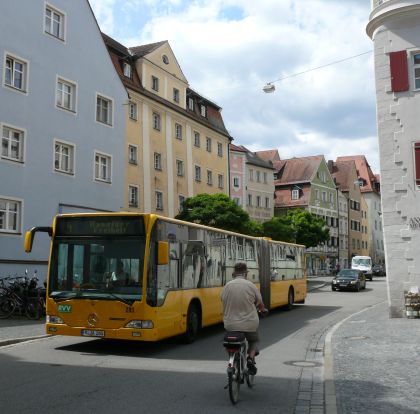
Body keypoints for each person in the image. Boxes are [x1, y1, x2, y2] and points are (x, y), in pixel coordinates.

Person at [221, 262, 267, 375]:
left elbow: (222, 299)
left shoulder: (227, 286)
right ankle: (250, 359)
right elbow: (260, 302)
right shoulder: (250, 285)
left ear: (234, 273)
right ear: (245, 273)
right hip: (249, 323)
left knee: (230, 342)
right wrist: (263, 310)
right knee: (253, 340)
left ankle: (233, 359)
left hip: (230, 323)